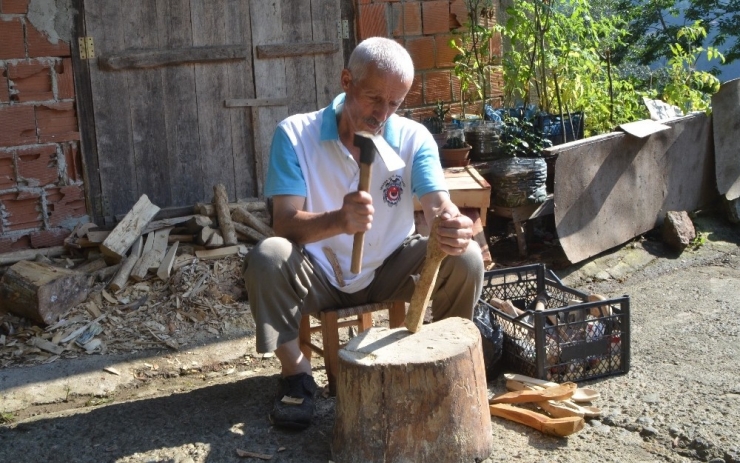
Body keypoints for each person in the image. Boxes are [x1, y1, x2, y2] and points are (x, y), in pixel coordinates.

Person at [243, 37, 484, 430]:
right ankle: (297, 375)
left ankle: (447, 360)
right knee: (267, 257)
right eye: (374, 98)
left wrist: (451, 223)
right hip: (317, 272)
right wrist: (338, 220)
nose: (382, 114)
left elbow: (438, 202)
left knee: (467, 257)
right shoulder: (295, 135)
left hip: (390, 265)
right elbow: (284, 223)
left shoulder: (411, 138)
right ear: (346, 80)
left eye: (395, 103)